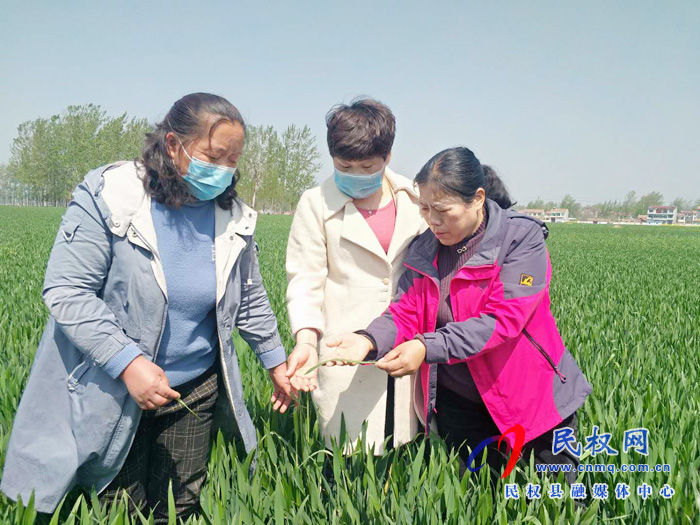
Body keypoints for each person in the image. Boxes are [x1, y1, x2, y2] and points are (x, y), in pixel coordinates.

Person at [1, 93, 295, 521]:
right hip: (113, 386)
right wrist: (128, 363)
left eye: (234, 159)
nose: (224, 170)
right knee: (120, 505)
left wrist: (275, 361)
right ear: (173, 145)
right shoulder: (112, 196)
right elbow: (68, 290)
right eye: (215, 155)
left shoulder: (233, 217)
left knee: (179, 505)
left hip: (194, 387)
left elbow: (248, 296)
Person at [325, 147, 592, 480]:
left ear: (477, 199)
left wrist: (425, 347)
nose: (433, 221)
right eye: (424, 209)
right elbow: (406, 311)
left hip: (529, 397)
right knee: (482, 499)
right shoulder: (424, 248)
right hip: (460, 405)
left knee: (562, 499)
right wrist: (367, 340)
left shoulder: (521, 239)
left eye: (442, 210)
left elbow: (503, 320)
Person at [285, 98, 426, 453]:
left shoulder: (415, 198)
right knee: (348, 458)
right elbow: (305, 280)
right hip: (343, 346)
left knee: (408, 452)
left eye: (367, 166)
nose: (356, 174)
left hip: (408, 342)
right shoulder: (315, 203)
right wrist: (305, 339)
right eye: (344, 165)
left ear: (387, 157)